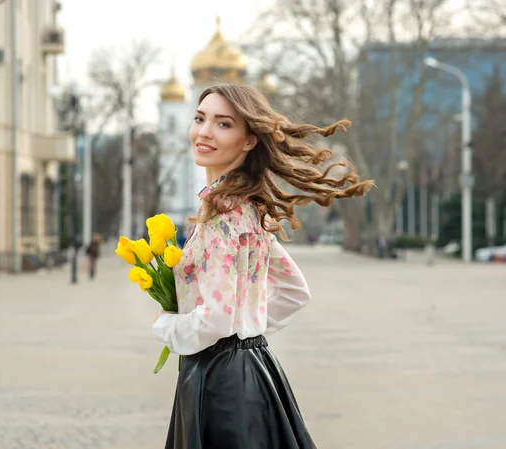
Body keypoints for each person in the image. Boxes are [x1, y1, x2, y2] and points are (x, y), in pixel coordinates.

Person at [152, 83, 374, 449]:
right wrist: (248, 328)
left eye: (223, 124)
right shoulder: (249, 211)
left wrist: (168, 326)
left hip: (218, 382)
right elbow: (294, 292)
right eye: (199, 118)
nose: (204, 132)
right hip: (256, 371)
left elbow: (214, 322)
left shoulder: (221, 218)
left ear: (249, 140)